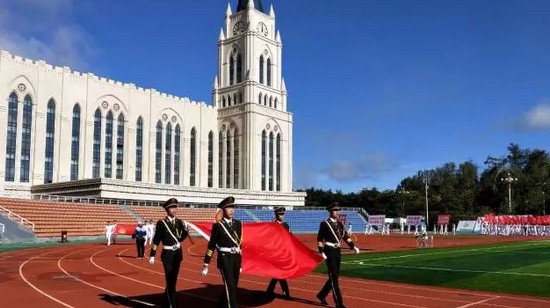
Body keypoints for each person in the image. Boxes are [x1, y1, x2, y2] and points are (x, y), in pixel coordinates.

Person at [201, 196, 242, 308]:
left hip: (236, 259)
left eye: (232, 207)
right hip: (225, 259)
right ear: (223, 210)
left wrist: (240, 262)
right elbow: (212, 245)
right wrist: (206, 264)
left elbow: (240, 244)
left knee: (234, 286)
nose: (231, 210)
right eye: (229, 208)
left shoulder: (238, 224)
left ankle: (222, 303)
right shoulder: (218, 226)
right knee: (230, 285)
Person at [316, 202, 360, 308]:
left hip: (337, 251)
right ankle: (339, 303)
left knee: (334, 276)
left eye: (337, 210)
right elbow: (319, 238)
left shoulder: (340, 224)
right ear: (330, 212)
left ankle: (321, 295)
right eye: (335, 210)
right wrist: (321, 251)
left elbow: (346, 237)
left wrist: (353, 246)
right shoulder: (325, 224)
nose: (337, 212)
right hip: (329, 250)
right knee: (334, 278)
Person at [148, 198, 190, 308]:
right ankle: (173, 304)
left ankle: (167, 303)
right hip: (167, 255)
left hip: (177, 255)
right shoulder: (162, 223)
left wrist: (185, 231)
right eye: (172, 207)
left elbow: (180, 239)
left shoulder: (179, 222)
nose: (174, 209)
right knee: (170, 279)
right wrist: (152, 255)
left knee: (173, 280)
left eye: (176, 207)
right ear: (167, 209)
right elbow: (156, 240)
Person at [266, 206, 291, 299]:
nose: (282, 215)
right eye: (280, 214)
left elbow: (290, 238)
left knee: (279, 273)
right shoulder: (272, 225)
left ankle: (269, 290)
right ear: (276, 215)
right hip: (276, 252)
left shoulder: (286, 225)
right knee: (281, 272)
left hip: (284, 252)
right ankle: (286, 293)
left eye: (283, 214)